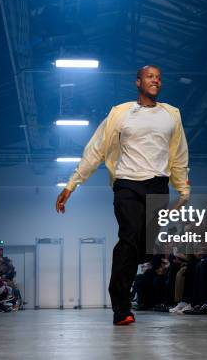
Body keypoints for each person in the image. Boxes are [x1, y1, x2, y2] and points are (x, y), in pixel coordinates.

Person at [55, 65, 190, 325]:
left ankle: (136, 266)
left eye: (159, 78)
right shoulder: (121, 113)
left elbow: (179, 153)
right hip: (127, 183)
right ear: (137, 82)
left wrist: (183, 190)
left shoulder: (171, 115)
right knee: (128, 238)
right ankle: (121, 307)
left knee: (146, 248)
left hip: (158, 185)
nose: (156, 81)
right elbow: (96, 149)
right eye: (150, 76)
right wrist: (72, 184)